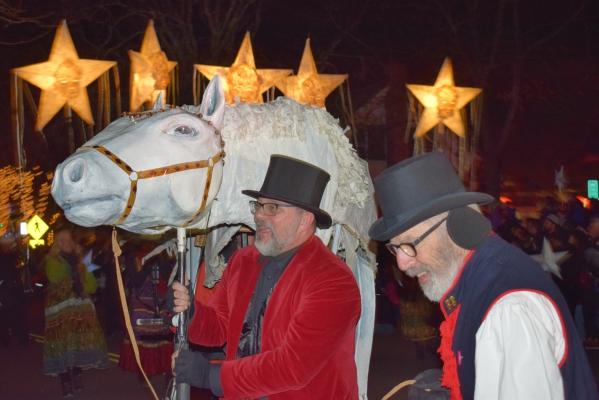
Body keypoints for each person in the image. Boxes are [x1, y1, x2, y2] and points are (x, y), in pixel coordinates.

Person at [369, 152, 598, 399]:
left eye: (409, 244)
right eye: (395, 248)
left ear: (452, 226)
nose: (402, 263)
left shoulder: (509, 309)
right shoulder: (481, 274)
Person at [170, 155, 362, 399]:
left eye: (272, 207)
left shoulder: (332, 280)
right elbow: (221, 326)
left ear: (305, 220)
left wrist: (210, 376)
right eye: (258, 206)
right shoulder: (243, 260)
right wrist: (190, 312)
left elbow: (292, 366)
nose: (259, 215)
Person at [43, 230, 110, 397]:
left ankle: (77, 374)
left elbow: (92, 286)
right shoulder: (52, 260)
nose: (67, 242)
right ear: (58, 243)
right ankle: (65, 381)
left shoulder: (83, 262)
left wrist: (82, 285)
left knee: (78, 341)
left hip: (80, 309)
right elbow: (55, 277)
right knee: (63, 344)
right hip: (60, 311)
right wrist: (72, 264)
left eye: (69, 240)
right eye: (63, 240)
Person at [118, 241, 175, 380]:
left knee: (164, 339)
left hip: (161, 304)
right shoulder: (135, 259)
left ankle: (167, 371)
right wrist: (147, 267)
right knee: (145, 340)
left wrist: (163, 266)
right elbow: (136, 281)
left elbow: (170, 281)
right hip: (143, 305)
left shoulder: (165, 258)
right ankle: (144, 373)